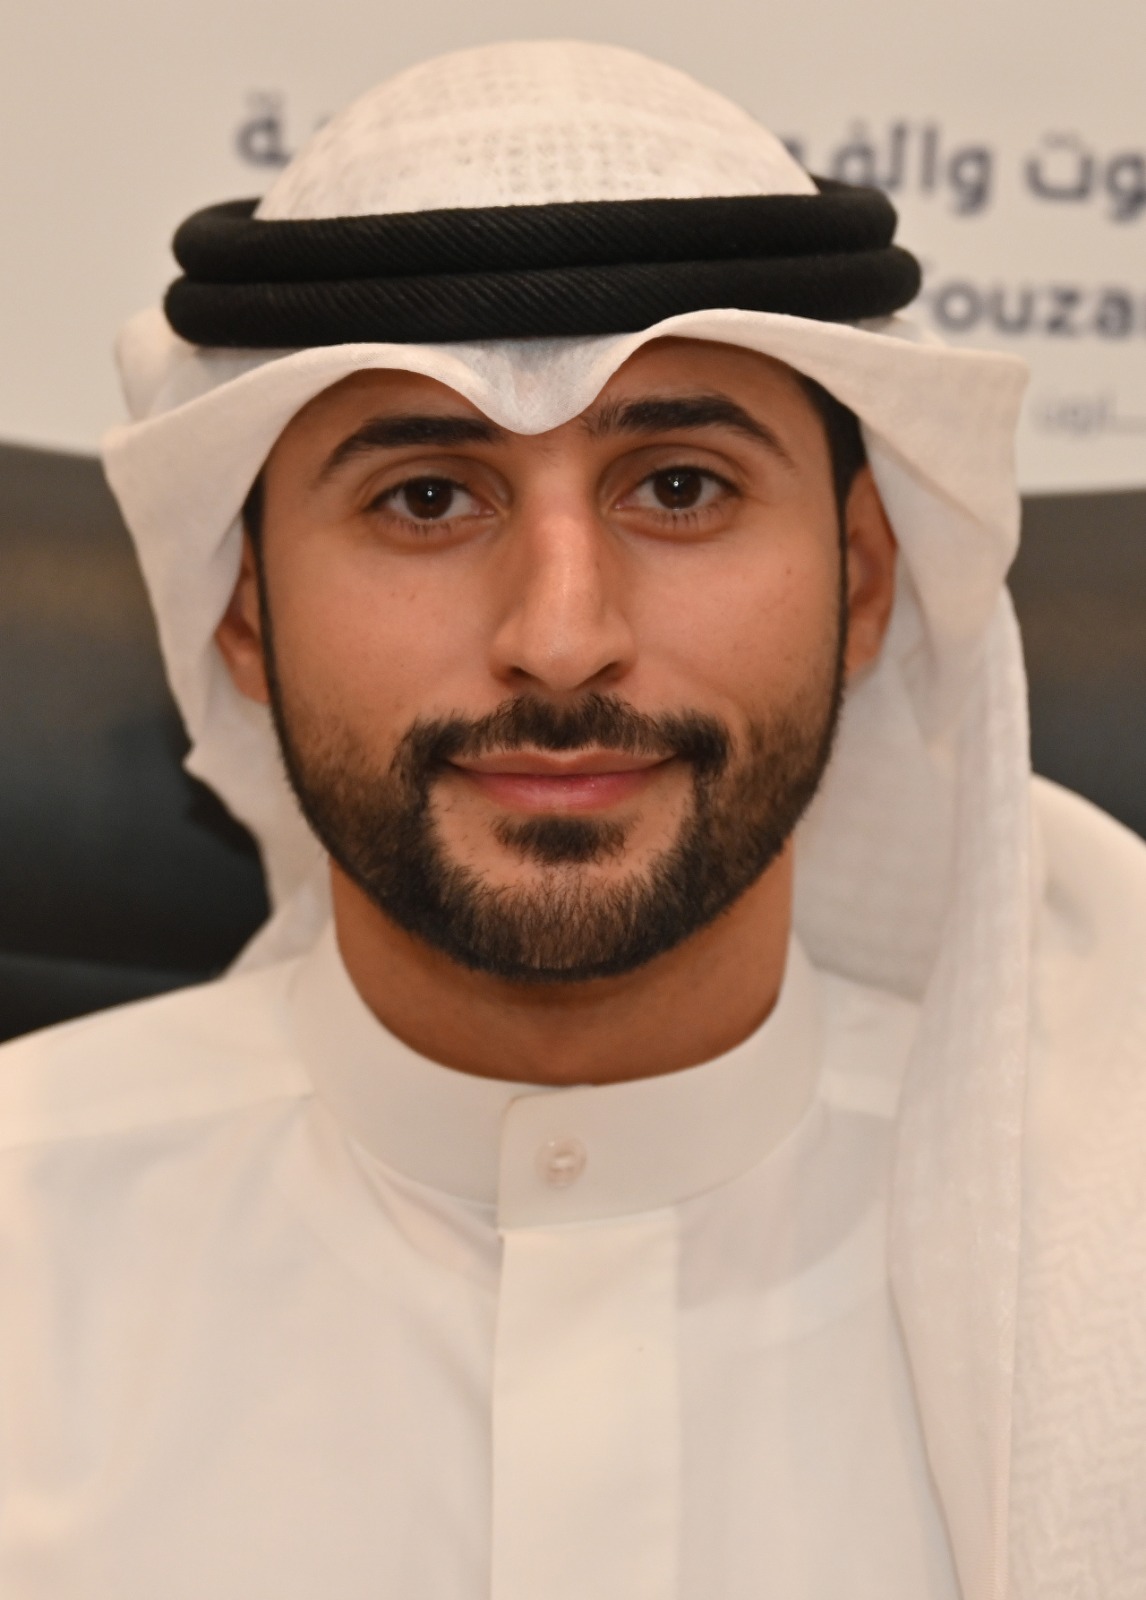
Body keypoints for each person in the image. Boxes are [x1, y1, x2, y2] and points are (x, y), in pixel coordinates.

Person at [2, 39, 1143, 1600]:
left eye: (677, 488)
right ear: (243, 617)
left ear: (864, 584)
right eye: (425, 497)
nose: (559, 637)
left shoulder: (1096, 1250)